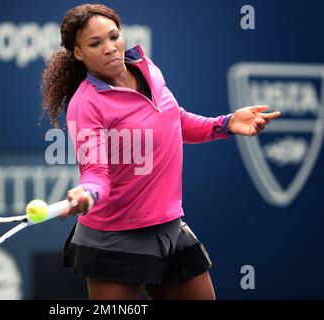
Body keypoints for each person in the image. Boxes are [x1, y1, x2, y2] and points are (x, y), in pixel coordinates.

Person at [41, 4, 280, 300]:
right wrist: (86, 193)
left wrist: (226, 123)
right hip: (115, 238)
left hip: (168, 226)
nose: (110, 48)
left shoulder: (147, 68)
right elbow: (96, 172)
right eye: (95, 43)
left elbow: (174, 120)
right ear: (78, 53)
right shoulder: (86, 105)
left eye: (114, 37)